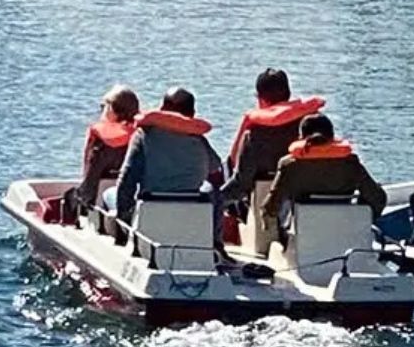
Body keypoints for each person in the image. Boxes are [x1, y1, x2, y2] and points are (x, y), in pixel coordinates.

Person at [259, 113, 386, 244]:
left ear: (301, 137)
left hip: (304, 237)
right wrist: (365, 221)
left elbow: (270, 208)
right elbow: (378, 198)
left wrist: (268, 226)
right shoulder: (350, 162)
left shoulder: (289, 164)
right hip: (345, 231)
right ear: (332, 136)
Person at [112, 87, 223, 226]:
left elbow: (127, 178)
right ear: (192, 114)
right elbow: (215, 169)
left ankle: (119, 237)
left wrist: (124, 219)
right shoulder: (198, 139)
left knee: (108, 195)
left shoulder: (143, 135)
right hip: (191, 203)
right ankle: (216, 241)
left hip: (152, 202)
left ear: (162, 108)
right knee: (214, 190)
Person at [226, 69, 327, 200]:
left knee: (225, 179)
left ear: (261, 99)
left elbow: (236, 167)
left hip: (264, 189)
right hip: (307, 189)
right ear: (288, 95)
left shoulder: (254, 133)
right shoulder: (315, 123)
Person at [66, 85, 141, 216]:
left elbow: (89, 180)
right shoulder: (142, 135)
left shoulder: (99, 139)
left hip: (99, 202)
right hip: (134, 200)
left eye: (103, 107)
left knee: (69, 199)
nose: (101, 111)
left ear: (111, 110)